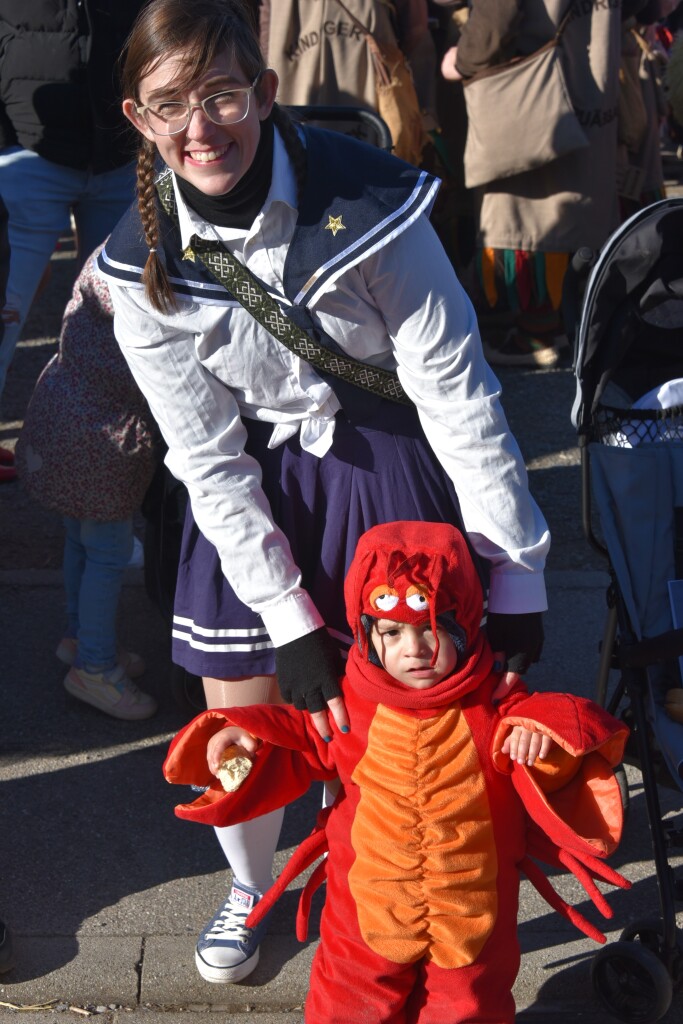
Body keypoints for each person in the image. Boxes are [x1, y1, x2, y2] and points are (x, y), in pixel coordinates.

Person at [98, 0, 549, 983]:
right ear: (139, 119)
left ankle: (397, 873)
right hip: (253, 490)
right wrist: (284, 612)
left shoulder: (371, 202)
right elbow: (205, 455)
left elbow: (457, 392)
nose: (199, 126)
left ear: (264, 94)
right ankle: (250, 886)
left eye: (220, 95)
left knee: (404, 712)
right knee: (244, 709)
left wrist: (515, 576)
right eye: (170, 103)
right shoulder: (135, 269)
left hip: (392, 467)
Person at [163, 520, 630, 1021]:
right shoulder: (347, 703)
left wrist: (543, 741)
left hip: (472, 914)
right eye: (391, 631)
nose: (415, 648)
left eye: (432, 626)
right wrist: (247, 736)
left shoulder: (495, 701)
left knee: (469, 1009)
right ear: (366, 633)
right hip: (363, 909)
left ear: (466, 622)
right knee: (348, 1005)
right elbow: (297, 739)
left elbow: (566, 731)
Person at [437, 0, 626, 368]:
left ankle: (535, 332)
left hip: (529, 80)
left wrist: (463, 59)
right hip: (591, 77)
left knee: (529, 212)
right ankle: (576, 322)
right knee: (579, 199)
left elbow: (499, 13)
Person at [15, 247, 158, 721]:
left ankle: (82, 638)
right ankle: (95, 668)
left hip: (64, 410)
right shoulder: (152, 266)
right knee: (108, 552)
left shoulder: (115, 246)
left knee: (80, 539)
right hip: (103, 435)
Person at [0, 1, 146, 435]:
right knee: (7, 310)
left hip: (119, 159)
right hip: (26, 153)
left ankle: (100, 456)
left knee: (118, 321)